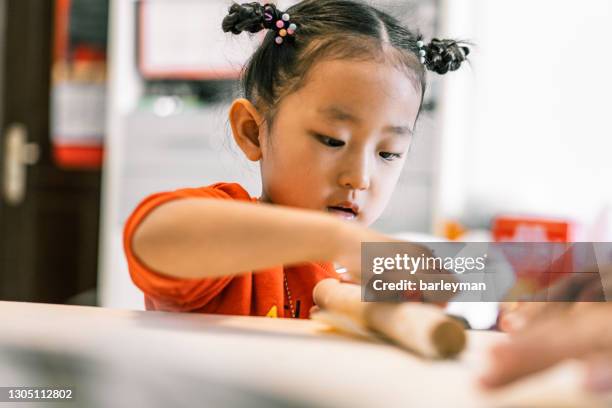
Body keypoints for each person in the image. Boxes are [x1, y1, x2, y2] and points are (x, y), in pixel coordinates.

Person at [123, 0, 469, 318]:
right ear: (252, 131)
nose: (360, 177)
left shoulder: (369, 272)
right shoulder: (229, 241)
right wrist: (338, 240)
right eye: (333, 140)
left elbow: (500, 278)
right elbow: (152, 236)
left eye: (388, 153)